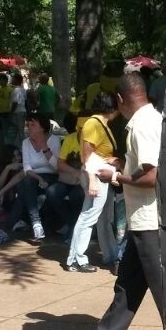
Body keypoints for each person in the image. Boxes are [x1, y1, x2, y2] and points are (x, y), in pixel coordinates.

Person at [74, 72, 165, 330]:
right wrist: (123, 168)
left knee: (163, 289)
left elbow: (152, 176)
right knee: (128, 282)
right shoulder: (150, 120)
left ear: (120, 99)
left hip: (150, 221)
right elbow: (146, 168)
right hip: (142, 220)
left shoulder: (142, 126)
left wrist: (115, 175)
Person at [65, 94, 119, 272]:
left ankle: (110, 254)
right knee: (89, 216)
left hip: (100, 175)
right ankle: (76, 258)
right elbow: (87, 156)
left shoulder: (99, 124)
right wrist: (92, 181)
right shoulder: (93, 124)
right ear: (112, 109)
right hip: (94, 175)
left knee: (103, 218)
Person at [0, 113, 60, 245]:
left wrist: (44, 147)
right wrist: (38, 178)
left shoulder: (54, 140)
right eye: (27, 125)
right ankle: (36, 224)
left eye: (32, 125)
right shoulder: (26, 143)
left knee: (23, 190)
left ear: (42, 128)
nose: (28, 128)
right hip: (33, 178)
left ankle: (7, 230)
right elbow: (27, 168)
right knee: (26, 184)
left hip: (52, 177)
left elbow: (57, 167)